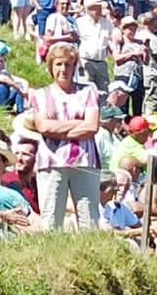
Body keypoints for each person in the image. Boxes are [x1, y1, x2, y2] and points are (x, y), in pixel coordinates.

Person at [26, 40, 103, 229]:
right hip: (52, 161)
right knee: (51, 217)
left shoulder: (88, 91)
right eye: (58, 64)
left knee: (89, 218)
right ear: (51, 67)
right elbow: (43, 126)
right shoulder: (40, 94)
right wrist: (78, 124)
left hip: (85, 160)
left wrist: (57, 129)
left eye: (68, 64)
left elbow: (92, 126)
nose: (63, 69)